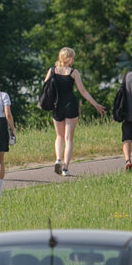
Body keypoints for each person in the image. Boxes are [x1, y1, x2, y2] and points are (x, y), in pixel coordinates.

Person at [45, 47, 105, 176]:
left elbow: (45, 87)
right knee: (69, 139)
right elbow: (83, 91)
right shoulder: (73, 72)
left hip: (57, 105)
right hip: (70, 105)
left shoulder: (52, 71)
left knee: (59, 136)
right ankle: (65, 168)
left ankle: (58, 159)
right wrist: (95, 104)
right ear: (69, 58)